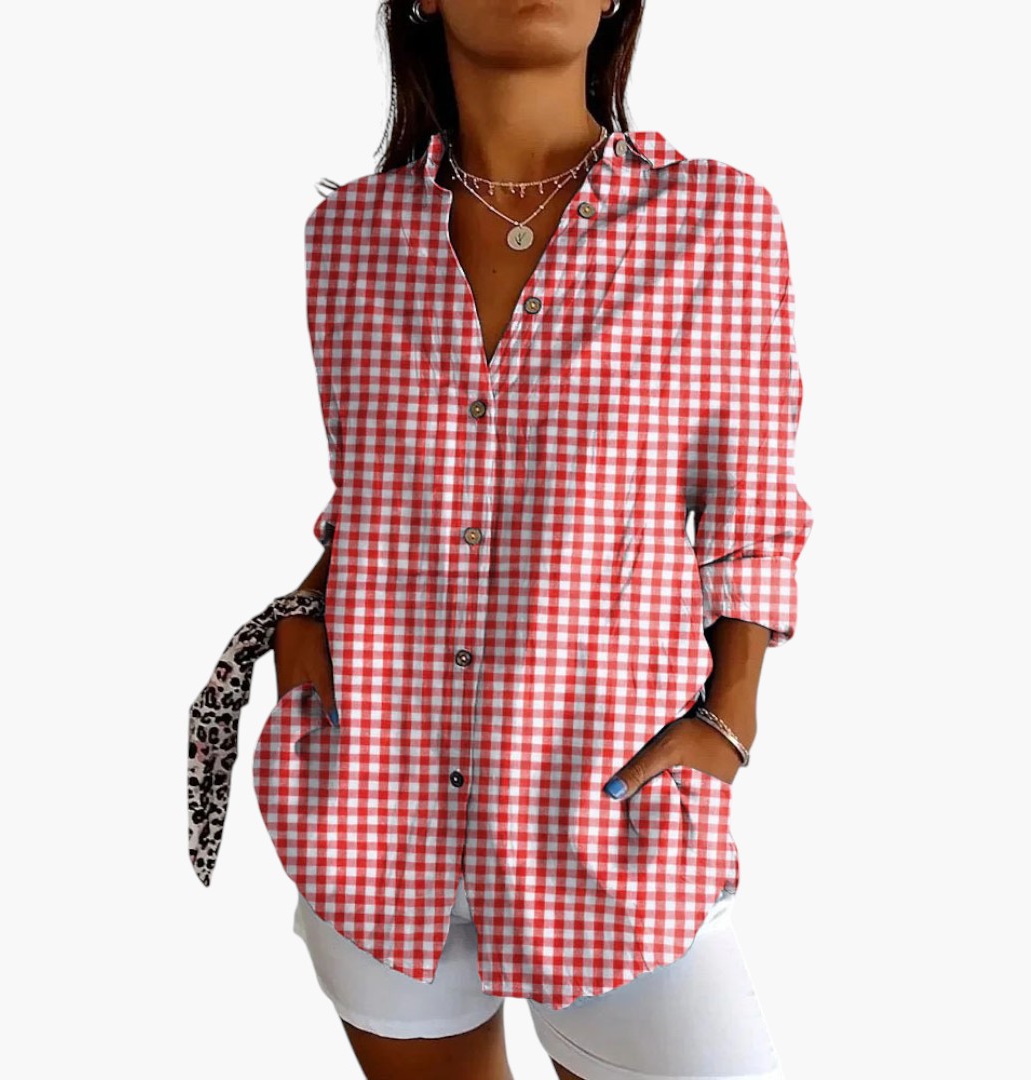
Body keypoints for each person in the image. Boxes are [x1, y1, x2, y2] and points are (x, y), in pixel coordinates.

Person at [205, 2, 813, 1077]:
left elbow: (750, 505)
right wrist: (302, 639)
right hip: (375, 812)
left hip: (608, 815)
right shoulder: (349, 239)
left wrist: (731, 716)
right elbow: (379, 494)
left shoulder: (713, 221)